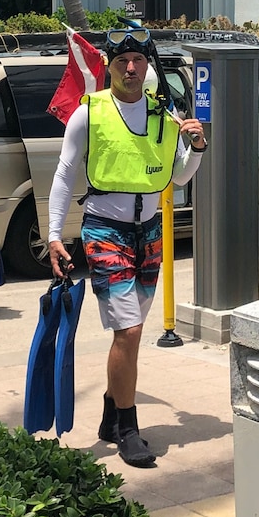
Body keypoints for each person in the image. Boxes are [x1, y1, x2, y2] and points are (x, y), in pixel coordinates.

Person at [48, 30, 207, 467]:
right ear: (110, 67)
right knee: (131, 330)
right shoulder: (89, 113)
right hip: (104, 228)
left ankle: (109, 412)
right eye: (122, 62)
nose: (131, 69)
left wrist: (196, 147)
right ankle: (129, 428)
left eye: (138, 60)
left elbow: (178, 178)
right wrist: (55, 235)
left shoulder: (164, 114)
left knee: (129, 334)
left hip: (150, 231)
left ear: (147, 66)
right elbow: (64, 175)